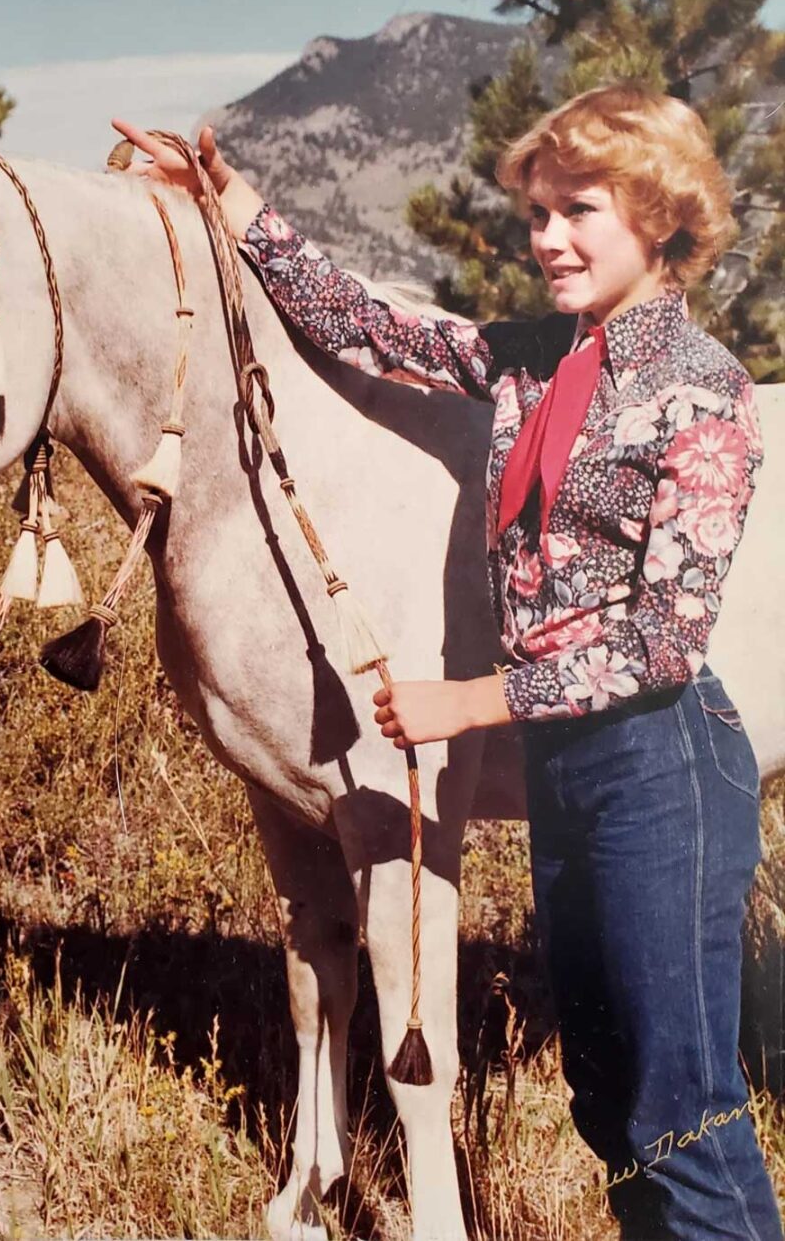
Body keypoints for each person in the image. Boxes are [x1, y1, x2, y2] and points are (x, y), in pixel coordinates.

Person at [110, 84, 782, 1241]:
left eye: (579, 210)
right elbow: (368, 324)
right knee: (606, 1087)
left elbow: (664, 644)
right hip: (572, 763)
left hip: (665, 760)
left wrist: (468, 701)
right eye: (538, 213)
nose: (548, 238)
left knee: (683, 1104)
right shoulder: (531, 359)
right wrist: (234, 201)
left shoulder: (703, 389)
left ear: (662, 213)